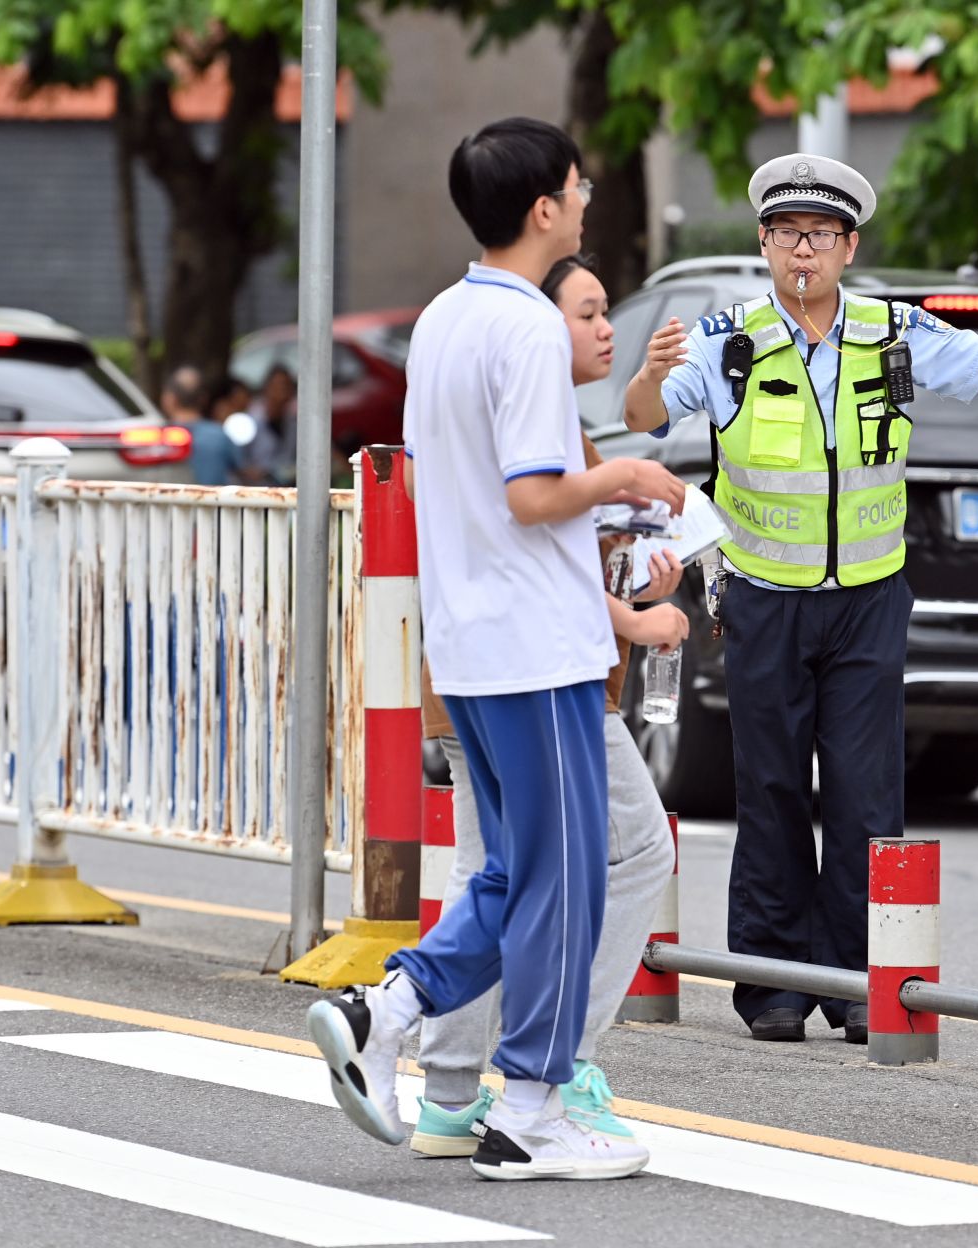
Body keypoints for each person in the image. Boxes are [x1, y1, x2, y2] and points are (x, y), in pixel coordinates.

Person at [624, 154, 978, 1044]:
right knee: (769, 785)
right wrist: (655, 374)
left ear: (849, 247)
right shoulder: (727, 339)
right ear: (763, 245)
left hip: (869, 596)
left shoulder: (893, 334)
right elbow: (644, 414)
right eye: (783, 235)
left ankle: (860, 984)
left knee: (865, 790)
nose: (799, 252)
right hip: (766, 595)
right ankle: (771, 986)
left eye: (817, 236)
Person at [307, 116, 687, 1182]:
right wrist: (625, 482)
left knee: (522, 869)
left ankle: (390, 1011)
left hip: (473, 638)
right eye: (576, 186)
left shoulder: (442, 318)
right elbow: (531, 494)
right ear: (543, 210)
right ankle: (529, 1108)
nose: (585, 197)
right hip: (535, 645)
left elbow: (437, 482)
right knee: (566, 879)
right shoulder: (523, 327)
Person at [408, 252, 687, 1158]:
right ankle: (549, 1070)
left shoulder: (496, 382)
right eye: (587, 312)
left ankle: (452, 1091)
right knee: (613, 853)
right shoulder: (532, 411)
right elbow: (529, 542)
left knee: (494, 869)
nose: (604, 328)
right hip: (537, 675)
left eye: (609, 311)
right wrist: (636, 623)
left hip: (482, 668)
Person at [160, 364, 235, 486]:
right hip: (215, 504)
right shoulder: (220, 435)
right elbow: (243, 470)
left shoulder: (157, 437)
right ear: (203, 399)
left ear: (170, 398)